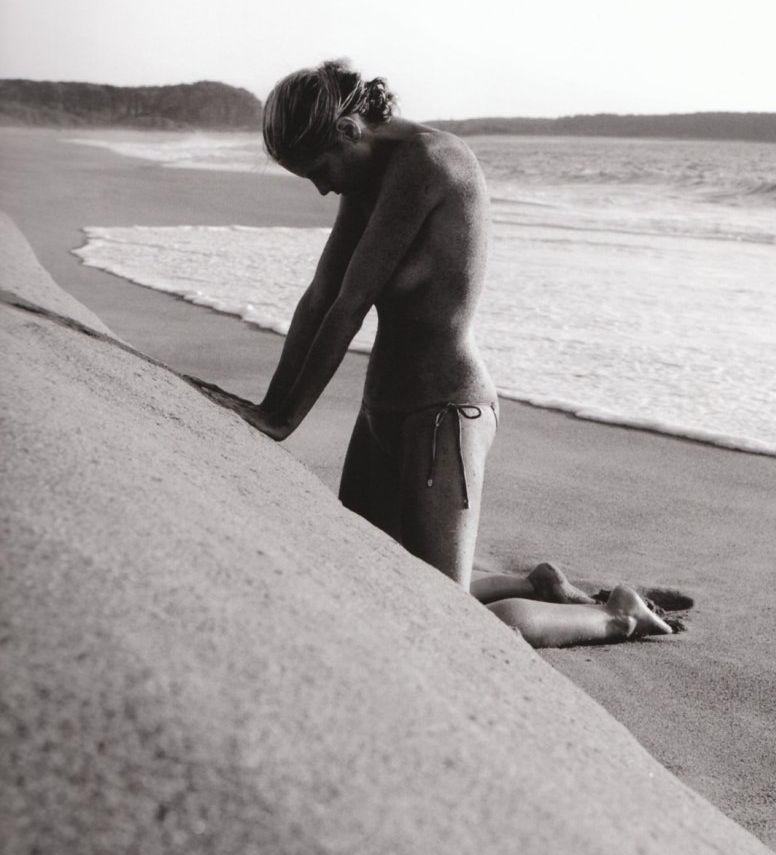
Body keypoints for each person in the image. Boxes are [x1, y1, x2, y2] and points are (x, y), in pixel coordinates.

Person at [196, 60, 672, 647]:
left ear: (347, 130)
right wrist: (269, 406)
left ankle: (618, 616)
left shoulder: (427, 162)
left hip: (445, 413)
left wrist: (282, 419)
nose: (322, 189)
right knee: (369, 579)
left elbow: (351, 304)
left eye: (320, 170)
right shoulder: (368, 172)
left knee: (448, 621)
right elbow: (320, 296)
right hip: (382, 411)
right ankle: (534, 583)